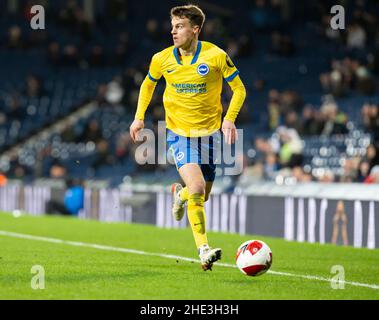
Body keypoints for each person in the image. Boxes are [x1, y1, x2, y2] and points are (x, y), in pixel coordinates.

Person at [129, 5, 246, 271]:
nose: (173, 30)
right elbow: (148, 84)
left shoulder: (216, 56)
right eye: (172, 25)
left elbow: (239, 89)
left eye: (179, 26)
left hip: (209, 136)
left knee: (200, 196)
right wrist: (139, 117)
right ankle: (204, 250)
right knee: (196, 188)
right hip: (179, 134)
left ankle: (178, 194)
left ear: (196, 29)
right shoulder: (161, 59)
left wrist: (229, 119)